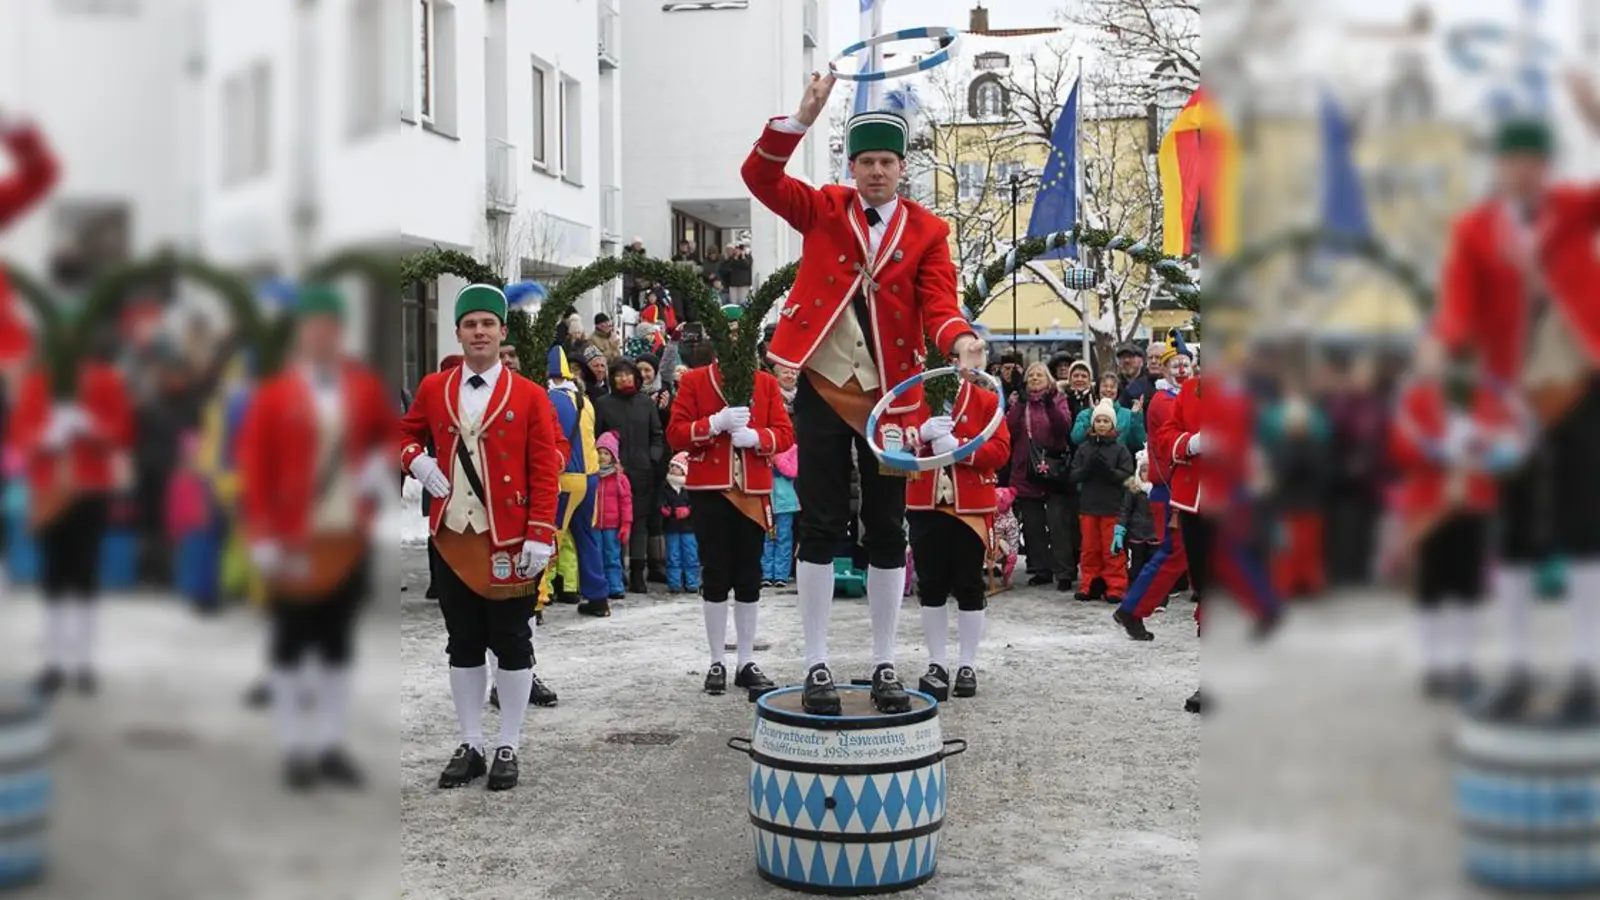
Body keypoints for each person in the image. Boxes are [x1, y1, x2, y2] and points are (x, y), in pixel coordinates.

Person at [742, 73, 988, 715]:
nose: (876, 171)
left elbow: (940, 302)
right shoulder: (825, 207)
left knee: (885, 527)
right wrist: (799, 118)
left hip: (893, 395)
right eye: (866, 161)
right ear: (851, 166)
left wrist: (959, 341)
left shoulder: (928, 232)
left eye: (887, 161)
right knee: (820, 524)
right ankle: (816, 661)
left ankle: (884, 662)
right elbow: (760, 180)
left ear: (902, 167)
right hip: (824, 382)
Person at [1430, 73, 1600, 720]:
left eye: (1533, 162)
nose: (1523, 172)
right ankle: (1523, 670)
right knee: (1520, 532)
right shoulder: (1475, 229)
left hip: (1582, 379)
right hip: (1513, 392)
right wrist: (1439, 351)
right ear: (1500, 166)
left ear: (1544, 166)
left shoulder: (1574, 208)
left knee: (1587, 528)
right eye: (1512, 161)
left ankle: (1587, 674)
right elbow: (1459, 308)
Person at [400, 284, 565, 791]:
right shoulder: (434, 387)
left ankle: (508, 743)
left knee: (513, 643)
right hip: (453, 537)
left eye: (487, 324)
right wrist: (418, 461)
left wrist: (540, 531)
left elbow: (544, 468)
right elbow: (401, 433)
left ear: (502, 332)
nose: (479, 332)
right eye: (470, 324)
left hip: (510, 539)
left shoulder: (532, 395)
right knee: (463, 643)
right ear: (458, 332)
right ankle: (471, 741)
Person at [235, 285, 395, 788]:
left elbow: (391, 436)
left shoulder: (363, 387)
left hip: (348, 537)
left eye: (331, 326)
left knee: (336, 643)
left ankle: (328, 744)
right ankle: (293, 749)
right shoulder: (273, 394)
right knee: (289, 641)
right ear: (302, 332)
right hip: (293, 538)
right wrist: (260, 534)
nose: (322, 334)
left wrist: (378, 465)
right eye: (313, 326)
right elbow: (254, 467)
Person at [667, 320, 793, 696]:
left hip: (753, 490)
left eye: (741, 336)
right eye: (728, 335)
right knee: (716, 573)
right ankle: (716, 660)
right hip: (710, 489)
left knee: (750, 575)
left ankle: (746, 661)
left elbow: (785, 434)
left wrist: (759, 437)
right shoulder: (694, 381)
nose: (734, 343)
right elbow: (676, 433)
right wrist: (713, 424)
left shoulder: (766, 383)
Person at [12, 342, 135, 696]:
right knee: (52, 575)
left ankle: (83, 661)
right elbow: (22, 436)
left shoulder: (106, 382)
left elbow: (122, 433)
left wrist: (89, 427)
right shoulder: (37, 382)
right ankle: (54, 661)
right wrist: (46, 437)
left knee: (85, 574)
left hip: (89, 489)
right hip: (50, 490)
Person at [1389, 346, 1510, 701]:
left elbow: (1501, 445)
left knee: (1468, 586)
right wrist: (1439, 448)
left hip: (1472, 500)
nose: (1440, 362)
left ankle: (1464, 663)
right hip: (1430, 501)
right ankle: (1432, 665)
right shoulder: (1413, 399)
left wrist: (1481, 445)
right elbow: (1400, 449)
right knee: (1430, 586)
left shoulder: (1486, 398)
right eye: (1432, 354)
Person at [905, 372, 1011, 699]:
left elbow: (1001, 450)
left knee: (969, 584)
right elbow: (889, 445)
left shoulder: (986, 400)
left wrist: (963, 450)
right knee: (931, 584)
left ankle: (967, 664)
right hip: (924, 504)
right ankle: (937, 663)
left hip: (971, 507)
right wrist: (920, 436)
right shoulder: (909, 398)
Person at [1114, 334, 1197, 642]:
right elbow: (1188, 435)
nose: (1182, 369)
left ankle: (1133, 609)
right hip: (1173, 489)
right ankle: (1133, 609)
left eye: (1186, 364)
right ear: (1163, 370)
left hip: (1185, 489)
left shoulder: (1184, 396)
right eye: (1175, 364)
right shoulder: (1165, 401)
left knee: (1181, 555)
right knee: (1172, 554)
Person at [595, 358, 665, 593]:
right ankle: (616, 573)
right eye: (619, 375)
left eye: (628, 374)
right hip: (611, 475)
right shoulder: (603, 404)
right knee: (614, 524)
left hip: (643, 472)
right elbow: (596, 437)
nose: (624, 379)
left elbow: (657, 435)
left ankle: (638, 573)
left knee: (639, 524)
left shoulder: (646, 403)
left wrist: (653, 459)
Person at [1008, 363, 1077, 591]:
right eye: (1031, 375)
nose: (1035, 378)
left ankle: (1064, 570)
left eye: (1040, 375)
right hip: (1026, 469)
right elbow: (1009, 429)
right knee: (1033, 525)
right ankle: (1040, 569)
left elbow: (1064, 427)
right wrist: (1019, 402)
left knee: (1058, 523)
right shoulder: (1019, 402)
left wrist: (1049, 405)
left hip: (1053, 468)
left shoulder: (1058, 399)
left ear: (1049, 380)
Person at [1071, 399, 1135, 605]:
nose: (1101, 424)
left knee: (1112, 550)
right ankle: (1090, 583)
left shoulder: (1120, 449)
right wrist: (1087, 469)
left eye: (1106, 420)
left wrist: (1109, 473)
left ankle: (1115, 586)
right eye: (1098, 420)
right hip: (1089, 506)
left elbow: (1128, 476)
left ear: (1112, 424)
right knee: (1089, 549)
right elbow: (1073, 475)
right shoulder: (1083, 448)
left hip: (1112, 508)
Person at [592, 431, 631, 605]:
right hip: (594, 524)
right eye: (599, 452)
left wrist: (626, 524)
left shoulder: (619, 479)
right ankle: (598, 588)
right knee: (595, 557)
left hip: (612, 525)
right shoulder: (592, 477)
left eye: (606, 453)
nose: (602, 457)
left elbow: (626, 503)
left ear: (613, 456)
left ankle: (615, 586)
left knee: (612, 556)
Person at [1072, 371, 1145, 453]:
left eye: (1112, 387)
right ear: (1098, 389)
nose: (1108, 389)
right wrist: (1091, 415)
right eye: (1104, 386)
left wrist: (1136, 417)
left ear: (1118, 390)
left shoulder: (1127, 414)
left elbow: (1140, 445)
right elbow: (1076, 439)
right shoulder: (1085, 414)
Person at [660, 452, 698, 594]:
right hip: (672, 527)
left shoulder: (690, 487)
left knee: (690, 555)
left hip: (689, 528)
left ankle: (692, 582)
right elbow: (660, 503)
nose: (672, 469)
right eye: (671, 466)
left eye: (676, 467)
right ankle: (674, 583)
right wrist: (666, 510)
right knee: (673, 556)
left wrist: (688, 510)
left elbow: (697, 505)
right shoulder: (665, 487)